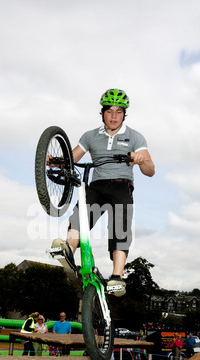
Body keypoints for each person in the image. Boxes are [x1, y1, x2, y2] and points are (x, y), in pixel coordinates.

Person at [52, 88, 155, 297]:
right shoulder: (90, 136)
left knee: (120, 227)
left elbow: (150, 170)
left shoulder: (135, 137)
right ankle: (68, 252)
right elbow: (72, 159)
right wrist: (52, 161)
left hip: (121, 185)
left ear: (125, 114)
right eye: (110, 111)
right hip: (97, 185)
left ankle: (117, 277)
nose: (114, 116)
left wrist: (142, 161)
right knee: (80, 216)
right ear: (102, 113)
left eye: (119, 111)